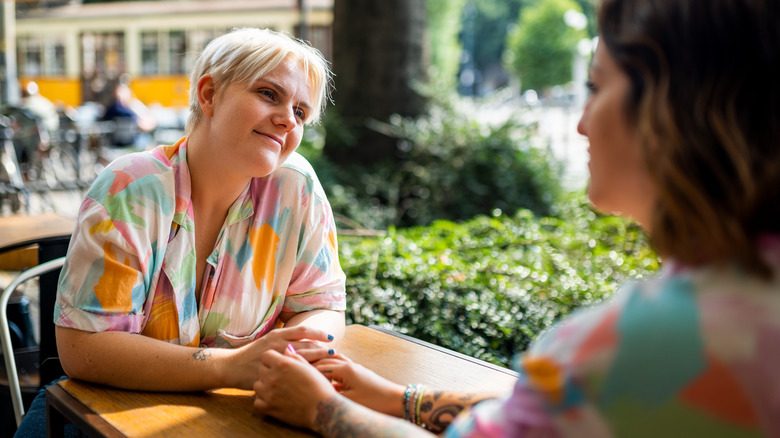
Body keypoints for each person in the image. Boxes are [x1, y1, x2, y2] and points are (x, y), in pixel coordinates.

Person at [252, 0, 780, 435]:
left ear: (671, 107)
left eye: (596, 87)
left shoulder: (648, 339)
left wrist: (323, 409)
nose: (580, 125)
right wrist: (397, 397)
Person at [15, 27, 346, 436]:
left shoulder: (296, 187)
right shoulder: (130, 187)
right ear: (208, 95)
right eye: (268, 94)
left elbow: (323, 305)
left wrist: (295, 352)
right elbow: (83, 351)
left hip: (228, 413)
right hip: (101, 410)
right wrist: (230, 367)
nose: (286, 120)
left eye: (300, 112)